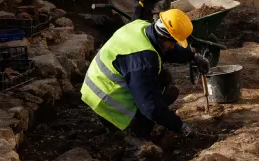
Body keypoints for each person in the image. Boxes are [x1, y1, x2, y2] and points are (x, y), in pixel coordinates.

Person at [81, 9, 209, 140]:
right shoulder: (142, 61)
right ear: (163, 36)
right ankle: (134, 136)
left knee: (164, 80)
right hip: (106, 99)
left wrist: (193, 56)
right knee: (148, 112)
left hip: (102, 80)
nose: (173, 46)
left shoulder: (142, 27)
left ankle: (144, 124)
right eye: (173, 42)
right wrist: (179, 126)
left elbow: (168, 48)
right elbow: (150, 106)